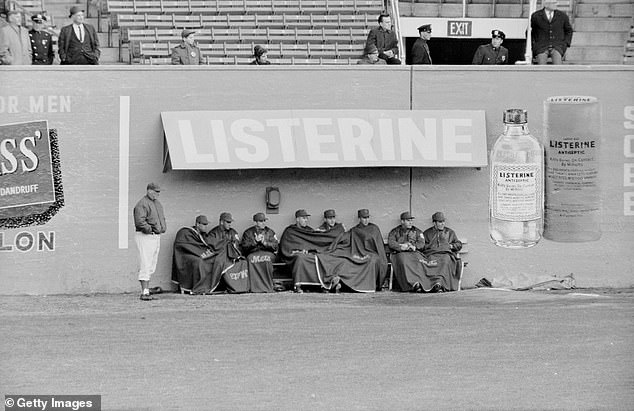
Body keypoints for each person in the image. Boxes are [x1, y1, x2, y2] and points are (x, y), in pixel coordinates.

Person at [279, 209, 378, 293]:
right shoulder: (291, 231)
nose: (306, 220)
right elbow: (313, 241)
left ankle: (332, 282)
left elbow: (318, 241)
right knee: (303, 258)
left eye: (306, 218)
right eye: (303, 218)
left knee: (339, 260)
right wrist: (300, 251)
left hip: (331, 252)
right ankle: (303, 285)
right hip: (308, 253)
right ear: (297, 219)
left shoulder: (316, 229)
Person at [388, 211, 437, 292]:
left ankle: (421, 283)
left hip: (414, 253)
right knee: (404, 261)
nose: (410, 222)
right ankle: (411, 284)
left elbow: (421, 243)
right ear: (402, 221)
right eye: (408, 220)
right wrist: (401, 246)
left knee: (419, 261)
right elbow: (391, 243)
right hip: (400, 253)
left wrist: (414, 247)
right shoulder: (395, 231)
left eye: (411, 220)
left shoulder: (417, 231)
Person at [133, 183, 167, 301]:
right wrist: (150, 229)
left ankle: (147, 288)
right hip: (145, 236)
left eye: (158, 192)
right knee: (145, 262)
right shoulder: (142, 204)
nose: (157, 194)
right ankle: (145, 291)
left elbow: (161, 218)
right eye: (155, 191)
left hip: (155, 236)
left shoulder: (157, 203)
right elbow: (140, 222)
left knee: (151, 263)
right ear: (149, 191)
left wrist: (162, 228)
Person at [171, 215, 217, 294]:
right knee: (199, 261)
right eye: (204, 224)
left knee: (213, 259)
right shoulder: (186, 232)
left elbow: (203, 246)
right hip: (184, 257)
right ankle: (197, 288)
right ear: (197, 224)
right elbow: (185, 246)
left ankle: (208, 287)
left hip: (195, 255)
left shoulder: (202, 234)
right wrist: (198, 252)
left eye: (206, 225)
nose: (205, 227)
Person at [422, 212, 463, 292]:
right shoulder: (427, 233)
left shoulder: (450, 232)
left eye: (443, 221)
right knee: (430, 263)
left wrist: (451, 246)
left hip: (446, 255)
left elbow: (458, 244)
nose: (442, 224)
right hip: (432, 255)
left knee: (445, 261)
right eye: (440, 222)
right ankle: (432, 285)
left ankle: (440, 284)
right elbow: (422, 246)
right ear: (434, 223)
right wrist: (431, 246)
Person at [349, 209, 388, 290]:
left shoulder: (374, 228)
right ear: (359, 218)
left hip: (373, 253)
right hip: (359, 254)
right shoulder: (355, 230)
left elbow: (379, 245)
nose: (366, 220)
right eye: (364, 218)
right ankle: (357, 285)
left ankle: (371, 285)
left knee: (373, 260)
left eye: (367, 217)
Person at [240, 212, 279, 292]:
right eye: (261, 221)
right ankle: (255, 287)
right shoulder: (248, 232)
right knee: (251, 259)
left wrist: (265, 243)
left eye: (264, 220)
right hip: (253, 253)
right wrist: (255, 241)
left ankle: (268, 286)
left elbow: (275, 246)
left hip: (268, 253)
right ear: (255, 222)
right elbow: (244, 248)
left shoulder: (270, 232)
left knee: (266, 259)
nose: (263, 223)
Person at [531, 0, 573, 65]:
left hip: (558, 45)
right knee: (541, 66)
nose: (556, 4)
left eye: (556, 2)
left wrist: (566, 43)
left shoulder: (562, 16)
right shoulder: (536, 16)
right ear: (546, 5)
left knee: (558, 65)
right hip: (541, 46)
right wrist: (534, 45)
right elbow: (531, 31)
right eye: (553, 3)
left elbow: (569, 30)